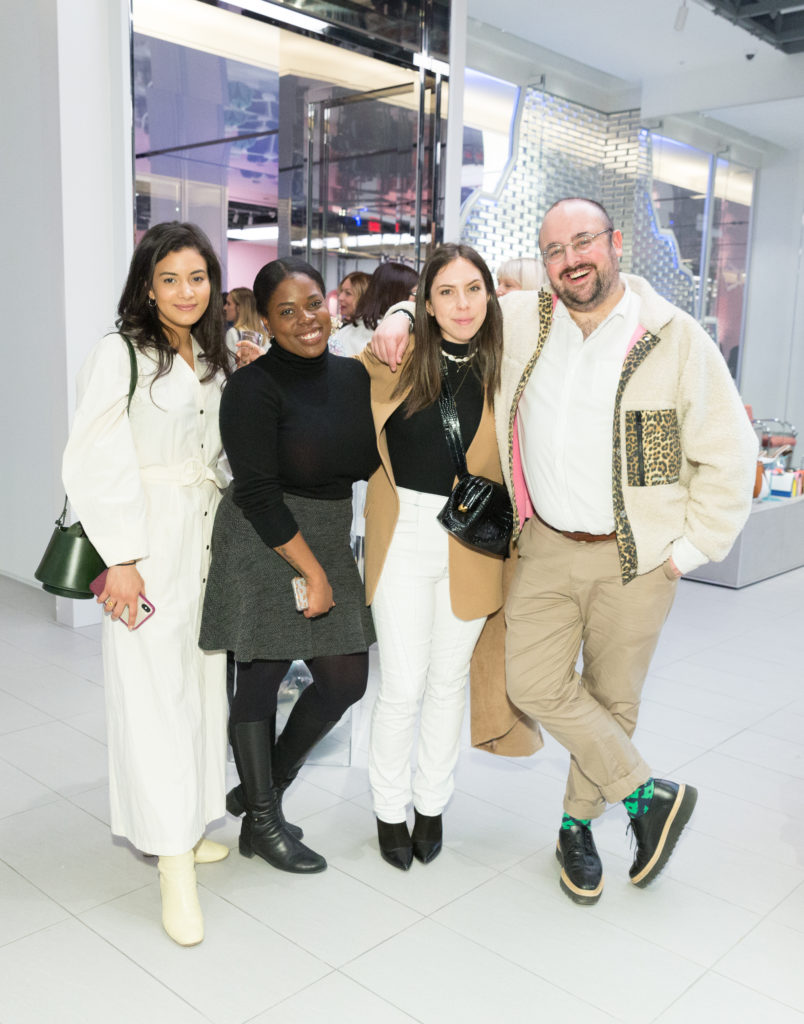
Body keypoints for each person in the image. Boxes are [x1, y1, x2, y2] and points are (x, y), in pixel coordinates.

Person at [371, 198, 758, 904]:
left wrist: (690, 552)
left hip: (638, 555)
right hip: (546, 544)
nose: (572, 259)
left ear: (614, 244)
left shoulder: (672, 338)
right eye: (555, 250)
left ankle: (576, 829)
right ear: (543, 263)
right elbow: (454, 308)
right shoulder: (525, 321)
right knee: (532, 683)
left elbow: (732, 456)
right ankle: (647, 798)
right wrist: (399, 314)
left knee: (613, 698)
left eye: (584, 242)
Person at [62, 221, 232, 946]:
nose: (186, 291)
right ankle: (170, 864)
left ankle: (187, 827)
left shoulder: (210, 352)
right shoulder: (120, 353)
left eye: (197, 277)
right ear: (146, 284)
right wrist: (122, 557)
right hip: (145, 544)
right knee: (152, 698)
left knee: (198, 690)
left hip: (202, 536)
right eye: (170, 279)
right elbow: (92, 458)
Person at [199, 257, 379, 874]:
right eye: (286, 311)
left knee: (346, 679)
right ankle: (264, 824)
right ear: (266, 322)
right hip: (264, 535)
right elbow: (256, 493)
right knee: (261, 675)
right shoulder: (250, 388)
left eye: (313, 303)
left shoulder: (354, 376)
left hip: (326, 529)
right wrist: (317, 572)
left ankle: (260, 791)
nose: (306, 320)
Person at [357, 243, 510, 871]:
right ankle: (389, 810)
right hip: (404, 532)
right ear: (425, 302)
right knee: (401, 684)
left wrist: (401, 306)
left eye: (474, 288)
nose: (462, 303)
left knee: (447, 683)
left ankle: (431, 804)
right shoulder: (395, 354)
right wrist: (394, 313)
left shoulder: (508, 360)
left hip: (472, 537)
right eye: (446, 291)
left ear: (491, 294)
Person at [329, 261, 418, 357]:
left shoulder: (344, 333)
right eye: (415, 294)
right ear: (395, 295)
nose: (340, 298)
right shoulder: (397, 337)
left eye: (348, 293)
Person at [224, 286, 269, 366]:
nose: (224, 308)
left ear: (239, 308)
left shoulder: (233, 333)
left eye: (228, 304)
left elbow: (230, 369)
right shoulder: (266, 336)